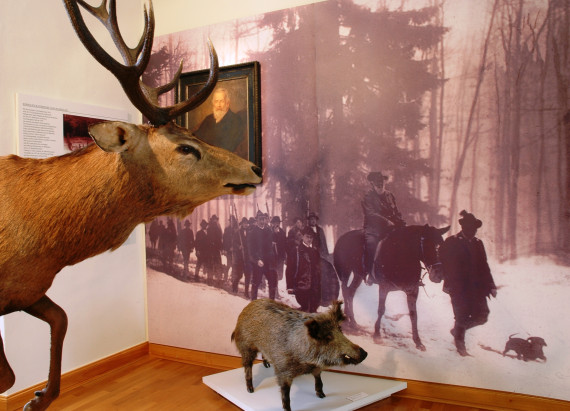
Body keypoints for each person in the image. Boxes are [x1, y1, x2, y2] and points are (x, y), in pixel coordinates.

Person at [439, 210, 497, 357]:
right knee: (461, 316)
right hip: (458, 287)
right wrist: (450, 281)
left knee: (483, 315)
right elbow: (442, 263)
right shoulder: (451, 242)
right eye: (470, 229)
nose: (473, 232)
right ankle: (461, 347)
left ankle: (458, 330)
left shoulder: (478, 243)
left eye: (475, 229)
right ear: (464, 228)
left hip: (477, 288)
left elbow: (484, 266)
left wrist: (491, 286)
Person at [361, 171, 405, 283]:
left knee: (405, 240)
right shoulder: (368, 197)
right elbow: (370, 214)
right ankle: (369, 274)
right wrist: (386, 221)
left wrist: (400, 220)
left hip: (390, 227)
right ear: (372, 184)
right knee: (371, 245)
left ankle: (405, 273)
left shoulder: (390, 195)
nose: (380, 186)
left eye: (382, 183)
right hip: (373, 229)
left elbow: (395, 210)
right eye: (377, 184)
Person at [194, 87, 246, 156]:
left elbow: (229, 146)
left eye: (221, 101)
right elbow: (197, 138)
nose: (218, 105)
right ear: (213, 103)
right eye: (216, 101)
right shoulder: (208, 119)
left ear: (227, 103)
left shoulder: (236, 120)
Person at [247, 211, 277, 300]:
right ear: (256, 220)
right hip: (258, 262)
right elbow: (251, 250)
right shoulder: (252, 232)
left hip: (268, 262)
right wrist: (257, 260)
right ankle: (253, 302)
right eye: (260, 219)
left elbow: (273, 244)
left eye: (263, 219)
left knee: (272, 282)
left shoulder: (269, 231)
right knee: (256, 283)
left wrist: (276, 233)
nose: (262, 221)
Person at [294, 228, 321, 313]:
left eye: (311, 238)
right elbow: (293, 268)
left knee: (315, 297)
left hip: (313, 279)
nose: (309, 239)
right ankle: (305, 308)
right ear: (302, 237)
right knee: (304, 298)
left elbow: (318, 265)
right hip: (302, 280)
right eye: (307, 237)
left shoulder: (315, 251)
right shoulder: (298, 250)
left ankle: (313, 309)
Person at [231, 217, 251, 298]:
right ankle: (235, 285)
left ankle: (246, 292)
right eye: (244, 223)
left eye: (246, 223)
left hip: (248, 257)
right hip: (240, 257)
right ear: (242, 224)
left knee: (248, 275)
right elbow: (234, 243)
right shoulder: (238, 233)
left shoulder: (250, 232)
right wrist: (239, 246)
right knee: (239, 274)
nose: (245, 224)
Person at [270, 216, 287, 297]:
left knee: (279, 275)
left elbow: (285, 244)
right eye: (275, 222)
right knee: (274, 274)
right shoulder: (269, 231)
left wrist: (285, 255)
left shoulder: (283, 232)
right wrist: (274, 233)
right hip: (272, 257)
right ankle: (275, 291)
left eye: (278, 222)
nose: (277, 224)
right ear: (272, 224)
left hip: (280, 256)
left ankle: (275, 289)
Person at [207, 214, 223, 286]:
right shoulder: (210, 227)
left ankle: (218, 279)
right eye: (214, 219)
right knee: (211, 263)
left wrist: (220, 247)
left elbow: (220, 238)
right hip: (211, 248)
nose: (215, 220)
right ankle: (210, 279)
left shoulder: (218, 227)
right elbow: (209, 238)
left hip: (216, 248)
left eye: (216, 219)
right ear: (212, 219)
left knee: (218, 263)